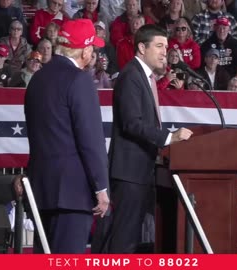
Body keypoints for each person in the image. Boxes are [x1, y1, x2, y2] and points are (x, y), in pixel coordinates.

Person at [94, 24, 193, 253]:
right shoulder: (131, 75)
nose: (164, 52)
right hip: (129, 173)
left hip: (142, 170)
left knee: (132, 236)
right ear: (141, 47)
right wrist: (168, 137)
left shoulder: (144, 77)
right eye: (159, 46)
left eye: (166, 47)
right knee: (123, 238)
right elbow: (132, 123)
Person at [24, 19, 110, 254]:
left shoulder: (37, 79)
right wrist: (101, 187)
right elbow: (90, 139)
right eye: (93, 48)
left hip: (41, 190)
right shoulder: (79, 79)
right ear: (86, 50)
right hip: (72, 194)